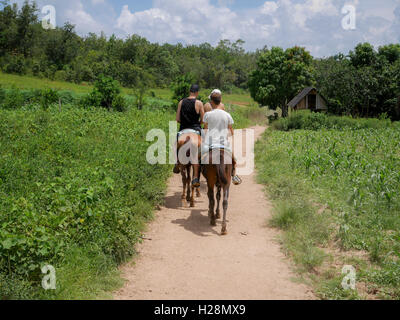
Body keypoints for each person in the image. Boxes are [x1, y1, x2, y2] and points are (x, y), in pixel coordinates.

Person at [202, 91, 242, 186]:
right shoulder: (227, 115)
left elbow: (205, 130)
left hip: (210, 144)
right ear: (220, 101)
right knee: (233, 159)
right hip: (223, 144)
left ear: (211, 102)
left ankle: (196, 177)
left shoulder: (207, 115)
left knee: (200, 159)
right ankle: (234, 176)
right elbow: (231, 132)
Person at [174, 84, 205, 188]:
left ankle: (177, 162)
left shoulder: (181, 102)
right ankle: (199, 171)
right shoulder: (199, 103)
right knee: (203, 147)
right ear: (197, 92)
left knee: (175, 143)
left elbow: (177, 119)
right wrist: (199, 122)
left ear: (190, 91)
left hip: (183, 130)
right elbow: (203, 120)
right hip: (196, 129)